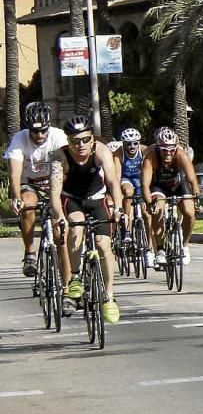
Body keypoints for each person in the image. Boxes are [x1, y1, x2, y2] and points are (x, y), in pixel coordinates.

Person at [50, 115, 123, 323]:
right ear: (68, 141)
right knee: (76, 227)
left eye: (85, 139)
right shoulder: (59, 157)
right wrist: (59, 216)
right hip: (72, 199)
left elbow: (112, 182)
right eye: (75, 141)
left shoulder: (101, 151)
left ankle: (109, 296)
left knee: (103, 245)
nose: (80, 145)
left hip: (97, 198)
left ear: (92, 138)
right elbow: (55, 193)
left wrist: (118, 208)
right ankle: (75, 276)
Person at [4, 102, 67, 276]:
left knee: (59, 222)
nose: (39, 135)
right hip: (30, 183)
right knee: (28, 204)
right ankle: (30, 252)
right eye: (34, 131)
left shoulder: (58, 136)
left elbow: (65, 166)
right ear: (28, 129)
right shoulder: (19, 139)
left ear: (49, 126)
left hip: (54, 182)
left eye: (43, 130)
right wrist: (16, 197)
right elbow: (15, 173)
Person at [140, 127, 202, 268]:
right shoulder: (150, 156)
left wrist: (197, 196)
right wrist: (149, 203)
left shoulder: (181, 155)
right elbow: (144, 185)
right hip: (158, 186)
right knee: (158, 210)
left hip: (178, 184)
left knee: (189, 213)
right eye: (164, 150)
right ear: (158, 147)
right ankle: (160, 250)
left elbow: (192, 180)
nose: (168, 153)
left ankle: (184, 245)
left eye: (171, 149)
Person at [112, 128, 151, 260]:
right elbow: (117, 177)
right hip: (126, 179)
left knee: (147, 213)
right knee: (128, 192)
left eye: (135, 143)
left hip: (140, 179)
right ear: (124, 144)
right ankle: (126, 225)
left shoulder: (145, 150)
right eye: (129, 144)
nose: (132, 146)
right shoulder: (119, 154)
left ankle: (149, 250)